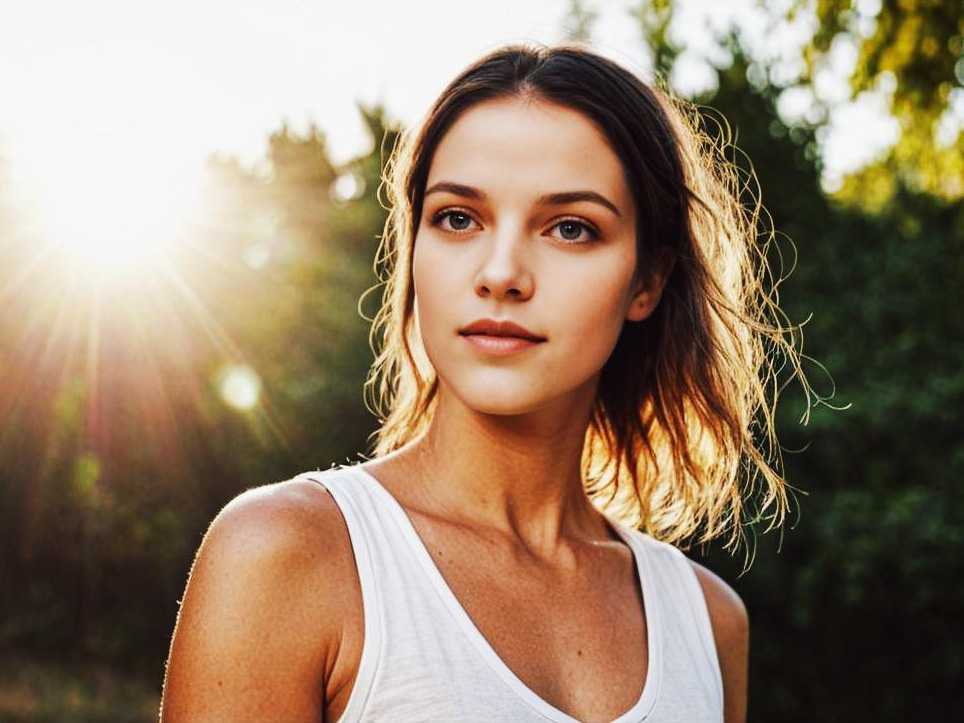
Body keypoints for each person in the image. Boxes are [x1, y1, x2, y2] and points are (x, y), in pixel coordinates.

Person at [160, 42, 811, 722]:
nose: (501, 272)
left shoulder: (709, 624)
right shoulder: (285, 556)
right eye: (458, 218)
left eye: (569, 228)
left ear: (647, 280)